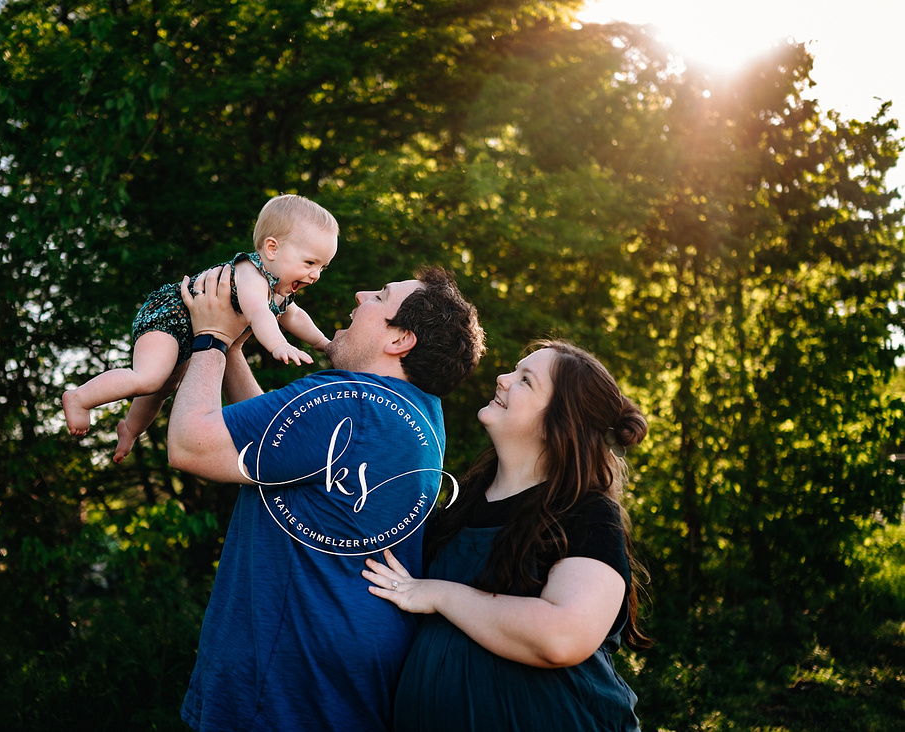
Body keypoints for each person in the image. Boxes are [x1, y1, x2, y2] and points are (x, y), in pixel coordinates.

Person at [166, 263, 485, 731]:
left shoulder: (344, 400)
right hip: (343, 674)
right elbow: (273, 451)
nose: (360, 294)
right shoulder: (416, 415)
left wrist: (210, 337)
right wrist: (234, 344)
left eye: (379, 296)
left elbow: (190, 445)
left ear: (399, 341)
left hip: (286, 685)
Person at [363, 339, 649, 731]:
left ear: (558, 424)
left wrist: (441, 594)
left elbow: (563, 636)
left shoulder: (587, 513)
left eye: (525, 380)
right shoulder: (455, 507)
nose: (501, 378)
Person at [62, 194, 338, 463]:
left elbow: (295, 316)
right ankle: (79, 398)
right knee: (148, 378)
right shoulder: (251, 274)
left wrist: (323, 343)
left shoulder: (278, 289)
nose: (315, 275)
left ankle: (130, 429)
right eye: (309, 263)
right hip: (168, 318)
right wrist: (279, 345)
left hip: (191, 333)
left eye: (323, 267)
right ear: (272, 249)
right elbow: (258, 313)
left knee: (164, 386)